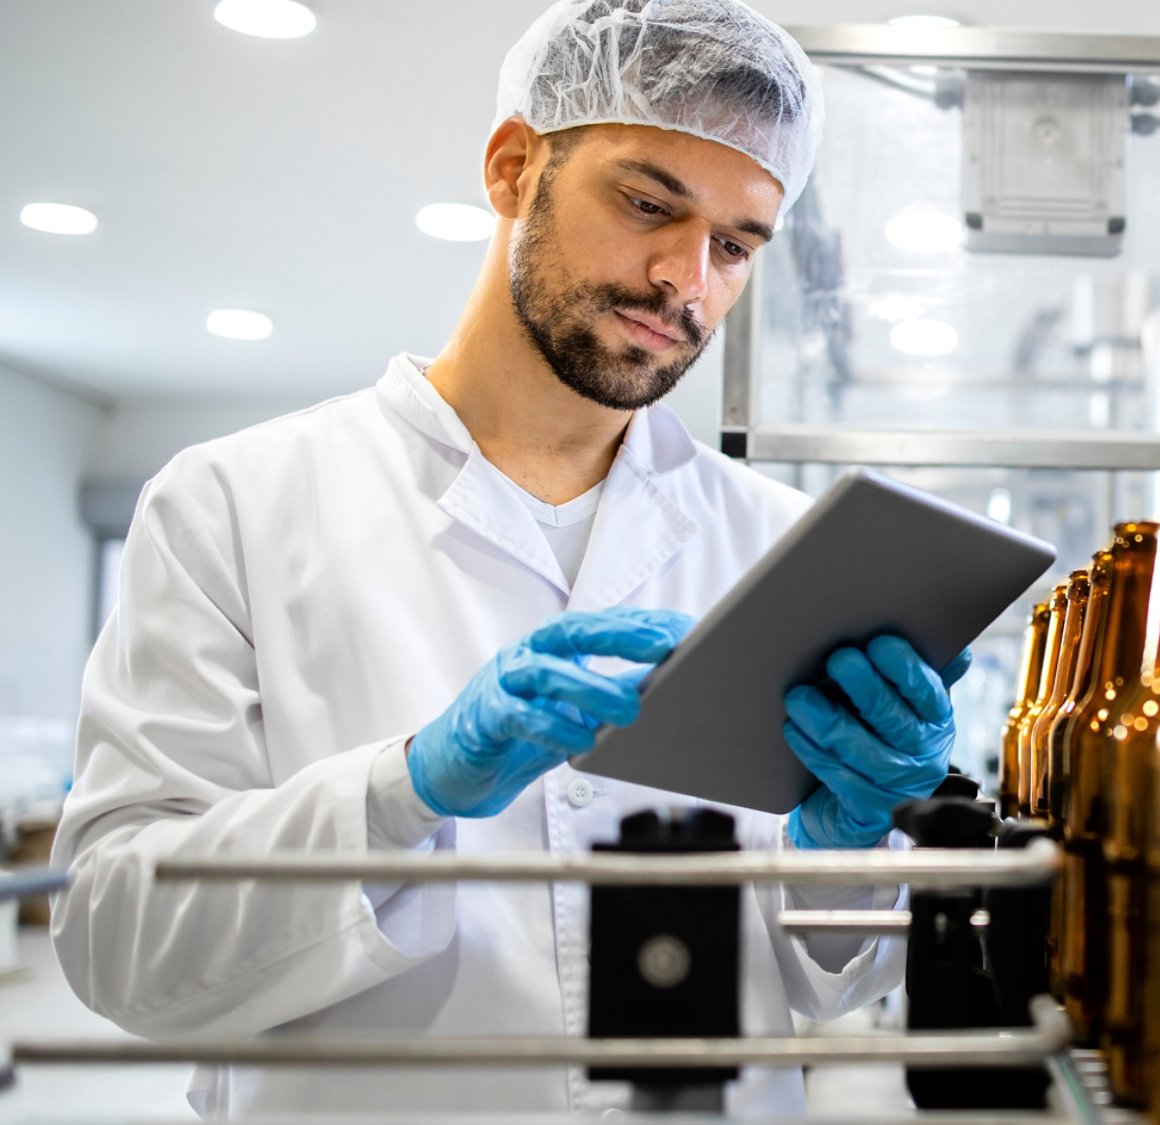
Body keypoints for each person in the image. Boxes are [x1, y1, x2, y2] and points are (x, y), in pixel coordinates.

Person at [49, 0, 963, 1116]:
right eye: (645, 204)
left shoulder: (775, 545)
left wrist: (845, 851)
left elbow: (826, 988)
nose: (686, 281)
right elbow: (118, 948)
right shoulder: (233, 502)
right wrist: (407, 787)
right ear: (512, 166)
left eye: (733, 246)